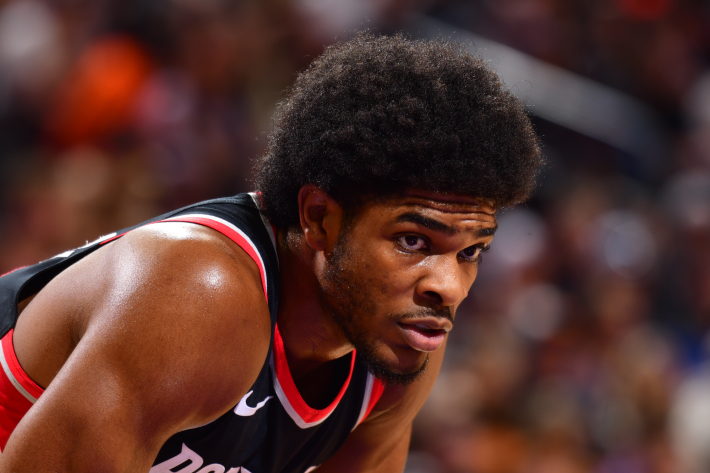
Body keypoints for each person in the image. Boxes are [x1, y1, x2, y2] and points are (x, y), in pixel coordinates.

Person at [0, 33, 543, 472]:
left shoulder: (396, 350)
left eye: (471, 252)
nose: (445, 286)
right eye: (412, 241)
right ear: (319, 219)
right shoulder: (199, 293)